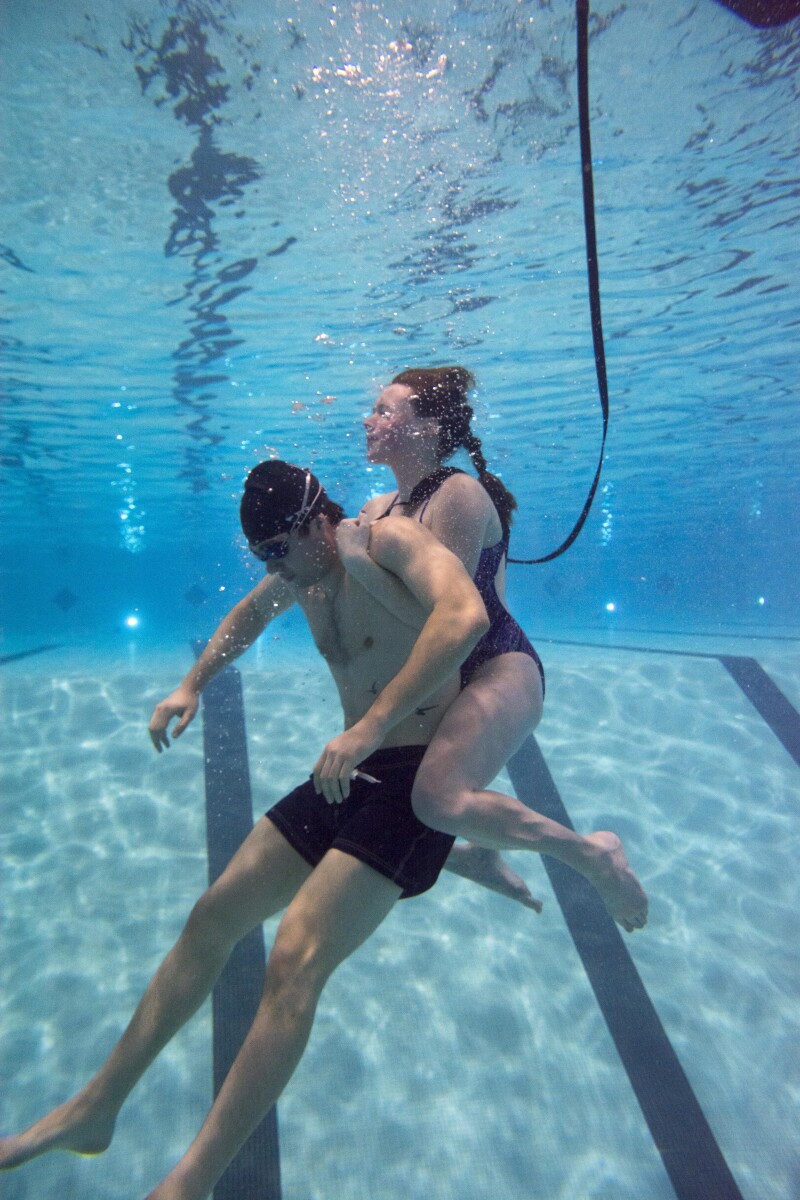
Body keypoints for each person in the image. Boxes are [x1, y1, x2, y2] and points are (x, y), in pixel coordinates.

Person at [0, 462, 647, 1200]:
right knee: (211, 919)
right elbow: (245, 619)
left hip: (409, 779)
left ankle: (191, 1182)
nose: (272, 569)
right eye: (260, 558)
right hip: (352, 772)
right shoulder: (301, 575)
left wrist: (370, 727)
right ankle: (93, 1110)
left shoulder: (387, 543)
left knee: (295, 959)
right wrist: (191, 684)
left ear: (314, 524)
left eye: (278, 550)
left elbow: (464, 616)